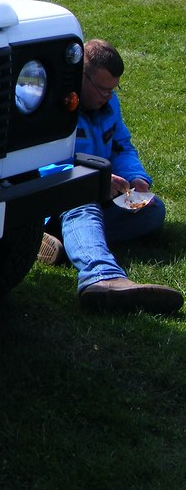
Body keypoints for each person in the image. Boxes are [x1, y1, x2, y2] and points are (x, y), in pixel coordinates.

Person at [39, 38, 182, 314]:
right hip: (57, 197)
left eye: (113, 89)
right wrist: (96, 180)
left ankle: (62, 242)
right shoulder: (52, 103)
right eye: (103, 89)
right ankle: (101, 277)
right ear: (82, 75)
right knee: (82, 202)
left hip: (97, 192)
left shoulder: (109, 104)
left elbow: (122, 146)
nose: (108, 96)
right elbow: (42, 163)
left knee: (153, 211)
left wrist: (137, 178)